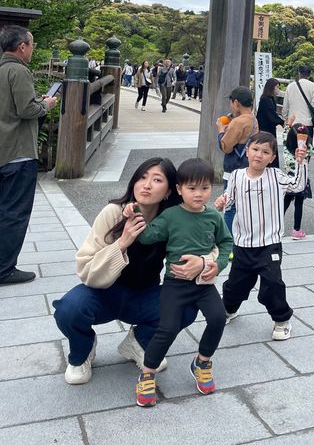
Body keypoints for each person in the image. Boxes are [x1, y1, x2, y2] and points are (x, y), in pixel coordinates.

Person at [52, 157, 211, 384]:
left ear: (169, 191)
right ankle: (82, 351)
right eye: (142, 177)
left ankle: (139, 343)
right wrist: (122, 243)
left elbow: (208, 244)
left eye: (157, 180)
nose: (146, 185)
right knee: (69, 309)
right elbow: (86, 269)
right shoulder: (113, 213)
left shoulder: (173, 219)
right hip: (103, 293)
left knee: (187, 305)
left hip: (143, 296)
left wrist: (204, 262)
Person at [131, 158, 232, 407]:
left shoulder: (213, 217)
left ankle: (202, 362)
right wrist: (134, 213)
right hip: (175, 284)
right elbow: (147, 237)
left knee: (218, 318)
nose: (199, 194)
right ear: (179, 189)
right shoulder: (171, 216)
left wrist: (218, 264)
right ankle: (147, 373)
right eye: (192, 188)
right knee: (167, 328)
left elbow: (226, 243)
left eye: (205, 188)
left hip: (204, 283)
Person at [215, 132, 307, 340]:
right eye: (255, 149)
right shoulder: (237, 176)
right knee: (236, 285)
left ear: (272, 158)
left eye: (265, 152)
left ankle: (282, 320)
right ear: (247, 152)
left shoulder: (276, 176)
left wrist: (300, 163)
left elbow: (298, 185)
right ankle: (229, 309)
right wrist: (222, 202)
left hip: (269, 244)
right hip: (243, 244)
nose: (259, 155)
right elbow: (229, 200)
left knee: (272, 284)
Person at [0, 26, 58, 285]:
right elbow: (26, 110)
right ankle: (4, 269)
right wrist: (46, 104)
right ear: (22, 46)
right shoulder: (19, 71)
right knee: (14, 212)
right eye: (32, 44)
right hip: (19, 151)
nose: (32, 49)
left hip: (3, 149)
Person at [216, 86, 258, 232]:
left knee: (230, 207)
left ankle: (228, 240)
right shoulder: (253, 119)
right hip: (247, 168)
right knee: (245, 206)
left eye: (231, 102)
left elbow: (226, 147)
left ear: (236, 103)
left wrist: (221, 131)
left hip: (234, 170)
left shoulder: (238, 122)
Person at [283, 123, 314, 239]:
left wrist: (288, 125)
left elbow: (285, 134)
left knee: (284, 203)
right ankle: (296, 230)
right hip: (302, 178)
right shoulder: (307, 148)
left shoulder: (286, 145)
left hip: (288, 178)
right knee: (299, 204)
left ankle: (277, 227)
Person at [282, 65, 314, 137]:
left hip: (293, 122)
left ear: (299, 73)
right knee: (306, 143)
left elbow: (285, 106)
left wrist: (285, 119)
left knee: (293, 143)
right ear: (309, 75)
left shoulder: (290, 86)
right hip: (307, 123)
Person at [257, 77, 284, 167]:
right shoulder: (266, 100)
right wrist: (281, 122)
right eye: (277, 87)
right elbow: (271, 116)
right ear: (271, 88)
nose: (278, 90)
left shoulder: (269, 99)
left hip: (269, 128)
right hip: (265, 129)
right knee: (268, 149)